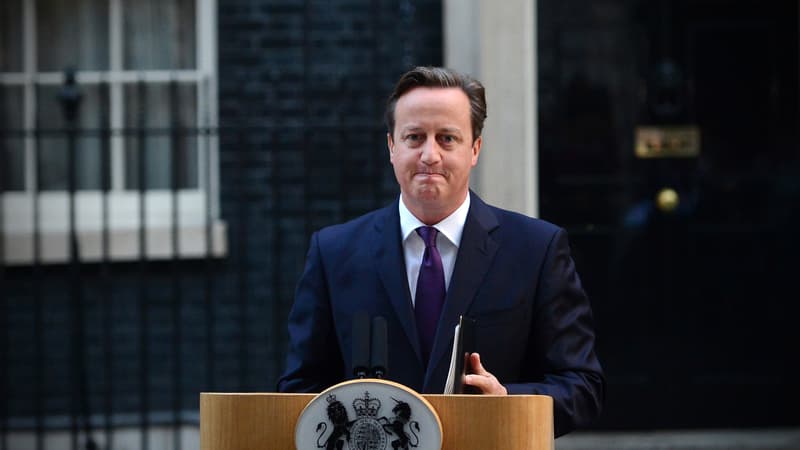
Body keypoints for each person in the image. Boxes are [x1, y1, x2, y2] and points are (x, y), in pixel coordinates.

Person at [277, 66, 604, 437]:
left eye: (447, 138)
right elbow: (299, 387)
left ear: (474, 149)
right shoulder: (334, 252)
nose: (429, 155)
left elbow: (582, 386)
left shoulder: (536, 249)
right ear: (392, 146)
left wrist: (507, 402)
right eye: (415, 137)